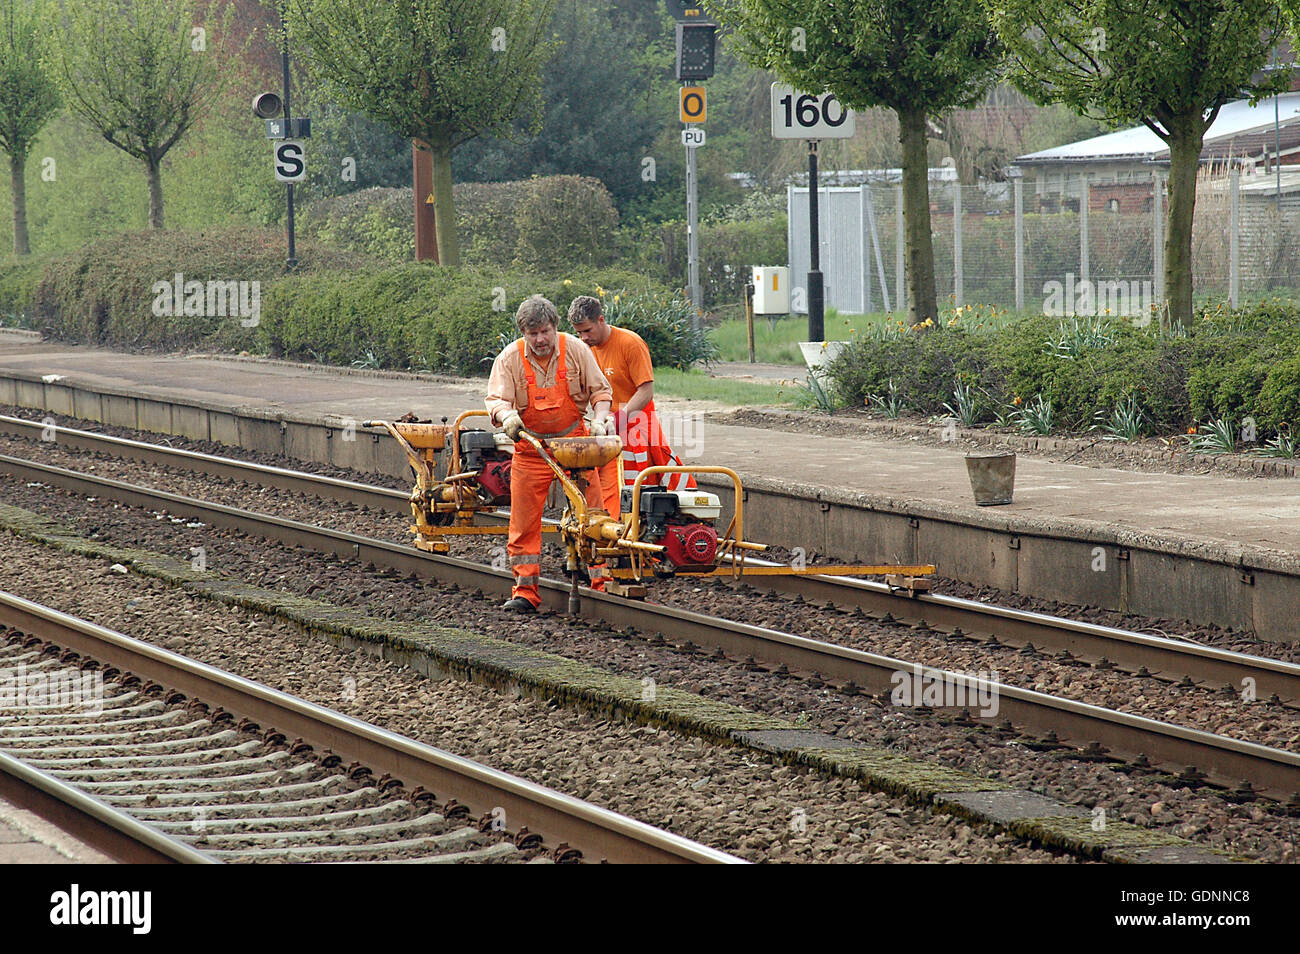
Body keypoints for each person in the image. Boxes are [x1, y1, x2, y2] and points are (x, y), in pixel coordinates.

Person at [486, 295, 614, 613]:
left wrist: (599, 420)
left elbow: (601, 392)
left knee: (593, 516)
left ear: (555, 327)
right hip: (531, 450)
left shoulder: (576, 350)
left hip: (576, 448)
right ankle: (525, 591)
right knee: (524, 523)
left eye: (545, 331)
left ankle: (602, 581)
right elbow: (496, 399)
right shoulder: (509, 359)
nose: (540, 340)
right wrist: (507, 416)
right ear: (523, 333)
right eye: (533, 334)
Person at [567, 295, 695, 519]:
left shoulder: (630, 343)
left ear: (601, 320)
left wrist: (619, 420)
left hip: (638, 425)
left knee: (641, 484)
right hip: (607, 429)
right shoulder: (586, 349)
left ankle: (639, 530)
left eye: (587, 331)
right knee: (601, 481)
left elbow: (646, 391)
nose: (583, 338)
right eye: (579, 333)